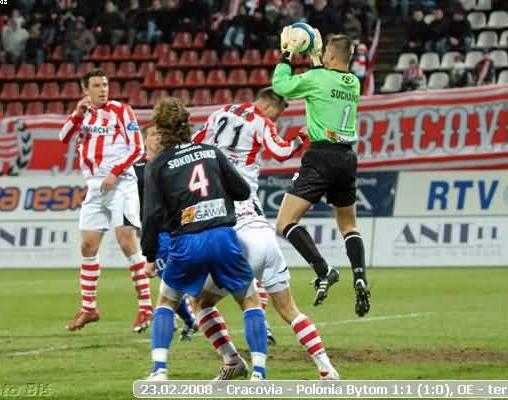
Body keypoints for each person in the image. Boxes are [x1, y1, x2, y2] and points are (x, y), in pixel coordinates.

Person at [193, 87, 339, 380]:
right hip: (261, 226)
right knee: (289, 309)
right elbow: (281, 152)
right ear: (271, 107)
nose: (276, 119)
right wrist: (300, 137)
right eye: (278, 114)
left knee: (200, 303)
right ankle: (327, 369)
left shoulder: (221, 112)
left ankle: (242, 364)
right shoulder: (262, 122)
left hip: (231, 222)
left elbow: (195, 143)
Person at [141, 97, 268, 381]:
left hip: (186, 243)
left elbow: (151, 215)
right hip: (223, 237)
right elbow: (242, 191)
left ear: (160, 128)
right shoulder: (211, 152)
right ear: (187, 124)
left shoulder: (157, 165)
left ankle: (159, 370)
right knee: (250, 301)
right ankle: (259, 373)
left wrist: (149, 253)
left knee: (167, 302)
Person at [271, 31, 371, 317]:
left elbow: (280, 86)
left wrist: (287, 53)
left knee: (285, 222)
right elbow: (325, 82)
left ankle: (323, 270)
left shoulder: (318, 79)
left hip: (321, 156)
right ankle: (360, 276)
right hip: (347, 158)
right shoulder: (354, 83)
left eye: (325, 51)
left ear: (332, 55)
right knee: (349, 225)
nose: (323, 54)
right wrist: (315, 56)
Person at [59, 68, 152, 333]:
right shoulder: (83, 114)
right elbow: (63, 138)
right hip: (94, 186)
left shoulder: (122, 111)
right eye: (97, 86)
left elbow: (138, 148)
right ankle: (89, 308)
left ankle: (146, 307)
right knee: (88, 246)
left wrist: (114, 172)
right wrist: (77, 115)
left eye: (105, 85)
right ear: (85, 89)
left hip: (121, 184)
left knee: (126, 240)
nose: (103, 89)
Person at [134, 123, 199, 341]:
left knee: (179, 279)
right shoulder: (136, 169)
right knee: (169, 279)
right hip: (157, 232)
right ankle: (188, 320)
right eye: (152, 134)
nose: (157, 138)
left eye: (160, 134)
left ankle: (177, 319)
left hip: (180, 229)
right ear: (144, 140)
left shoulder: (173, 163)